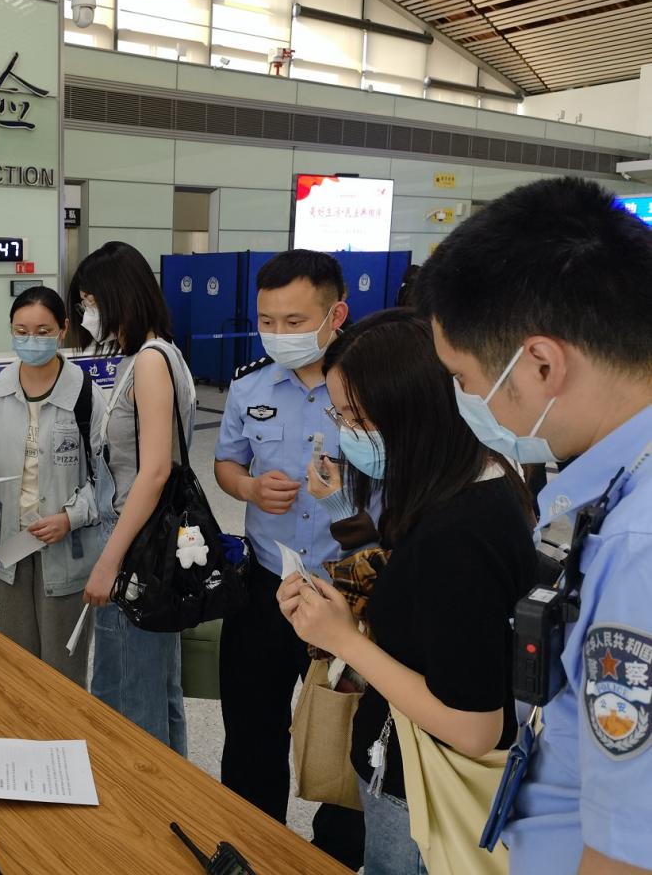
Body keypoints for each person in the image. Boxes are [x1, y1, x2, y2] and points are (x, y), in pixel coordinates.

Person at [414, 177, 652, 875]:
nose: (463, 401)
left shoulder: (636, 548)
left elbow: (629, 849)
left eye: (463, 379)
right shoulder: (616, 484)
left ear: (542, 363)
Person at [278, 309, 537, 874]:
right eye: (339, 414)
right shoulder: (467, 477)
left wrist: (344, 639)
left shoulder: (460, 532)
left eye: (356, 417)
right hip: (402, 765)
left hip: (424, 791)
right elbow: (430, 614)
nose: (346, 432)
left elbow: (475, 727)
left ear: (413, 409)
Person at [211, 249, 364, 868]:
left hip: (349, 593)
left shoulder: (370, 386)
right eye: (267, 321)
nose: (278, 334)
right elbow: (226, 462)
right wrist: (248, 488)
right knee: (251, 731)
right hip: (267, 585)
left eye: (295, 322)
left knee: (347, 736)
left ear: (335, 316)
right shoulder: (250, 385)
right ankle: (252, 847)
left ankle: (334, 858)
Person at [71, 241, 196, 753]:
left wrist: (109, 562)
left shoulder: (149, 361)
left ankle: (138, 792)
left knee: (127, 692)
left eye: (90, 301)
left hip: (136, 545)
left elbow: (155, 471)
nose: (87, 313)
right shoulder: (162, 354)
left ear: (117, 295)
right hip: (148, 540)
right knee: (156, 685)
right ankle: (170, 787)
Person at [0, 286, 106, 684]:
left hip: (67, 546)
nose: (31, 340)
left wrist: (70, 517)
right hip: (11, 544)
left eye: (43, 331)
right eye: (21, 331)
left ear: (63, 330)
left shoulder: (86, 395)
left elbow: (110, 481)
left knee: (62, 670)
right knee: (17, 664)